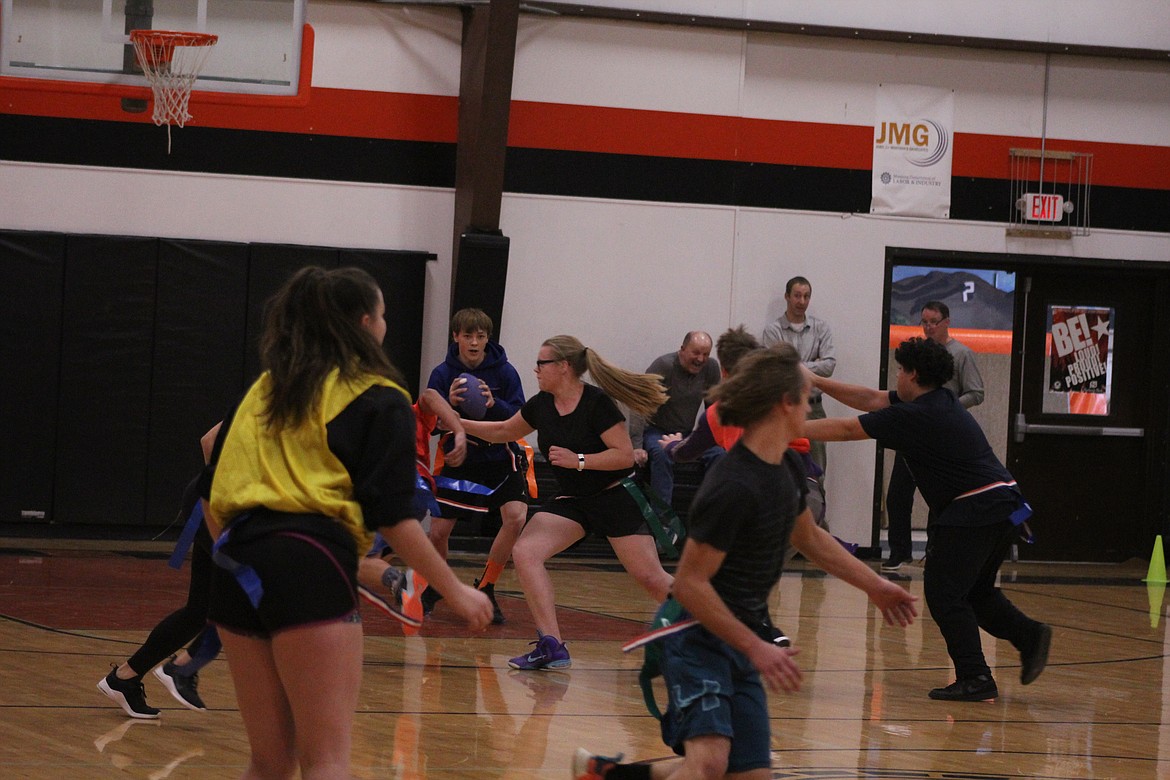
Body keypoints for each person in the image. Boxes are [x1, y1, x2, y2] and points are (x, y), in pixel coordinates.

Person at [572, 345, 917, 780]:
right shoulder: (732, 483)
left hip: (743, 636)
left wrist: (876, 587)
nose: (811, 409)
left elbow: (809, 537)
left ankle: (609, 775)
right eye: (808, 399)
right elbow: (691, 585)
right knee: (709, 763)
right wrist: (757, 647)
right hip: (696, 635)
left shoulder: (787, 466)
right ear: (784, 405)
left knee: (751, 775)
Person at [200, 266, 492, 779]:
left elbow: (209, 478)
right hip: (308, 561)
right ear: (364, 323)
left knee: (268, 763)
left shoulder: (268, 388)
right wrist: (455, 590)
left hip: (232, 561)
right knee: (328, 760)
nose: (385, 325)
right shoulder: (378, 394)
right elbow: (398, 519)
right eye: (382, 315)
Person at [801, 336, 1051, 701]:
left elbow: (846, 429)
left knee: (944, 591)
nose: (897, 376)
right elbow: (871, 398)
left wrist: (783, 430)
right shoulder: (938, 400)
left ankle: (976, 676)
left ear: (913, 374)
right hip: (1003, 504)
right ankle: (1029, 636)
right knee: (976, 592)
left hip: (976, 507)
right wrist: (817, 381)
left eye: (901, 370)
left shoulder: (916, 415)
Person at [460, 335, 674, 671]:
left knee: (651, 578)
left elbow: (624, 457)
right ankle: (551, 644)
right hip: (575, 500)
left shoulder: (597, 403)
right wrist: (456, 424)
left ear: (563, 367)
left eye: (542, 363)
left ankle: (714, 630)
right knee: (526, 551)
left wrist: (580, 460)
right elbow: (503, 429)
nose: (536, 369)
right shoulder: (541, 404)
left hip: (615, 495)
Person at [424, 308, 529, 624]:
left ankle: (487, 585)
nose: (474, 342)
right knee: (438, 532)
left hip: (501, 457)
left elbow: (521, 418)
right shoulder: (442, 374)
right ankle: (437, 584)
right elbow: (429, 424)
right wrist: (450, 406)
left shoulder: (506, 372)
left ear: (487, 339)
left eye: (480, 336)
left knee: (516, 517)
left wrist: (494, 404)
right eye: (467, 335)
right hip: (461, 459)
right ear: (455, 337)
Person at [97, 474, 221, 719]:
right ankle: (182, 668)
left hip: (218, 503)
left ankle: (124, 678)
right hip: (219, 506)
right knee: (248, 598)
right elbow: (209, 440)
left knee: (200, 610)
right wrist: (218, 484)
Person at [883, 300, 985, 572]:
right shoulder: (916, 353)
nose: (928, 327)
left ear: (947, 322)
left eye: (933, 322)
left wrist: (946, 408)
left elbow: (976, 392)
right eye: (924, 322)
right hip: (913, 432)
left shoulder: (961, 354)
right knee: (897, 494)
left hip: (942, 436)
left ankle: (934, 551)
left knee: (938, 496)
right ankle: (899, 551)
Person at [355, 387, 469, 631]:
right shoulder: (407, 415)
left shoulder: (360, 423)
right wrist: (458, 430)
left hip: (394, 485)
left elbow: (429, 395)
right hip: (419, 493)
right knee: (374, 558)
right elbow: (430, 396)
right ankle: (402, 584)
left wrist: (458, 429)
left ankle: (402, 581)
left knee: (352, 560)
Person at [629, 331, 722, 507]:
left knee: (719, 454)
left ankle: (712, 512)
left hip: (686, 433)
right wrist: (636, 447)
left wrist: (720, 438)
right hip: (658, 430)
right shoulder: (664, 366)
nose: (700, 359)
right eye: (695, 353)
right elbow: (639, 405)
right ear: (682, 350)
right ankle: (663, 520)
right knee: (662, 454)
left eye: (705, 354)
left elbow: (714, 409)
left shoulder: (711, 368)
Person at [761, 275, 836, 477]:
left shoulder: (821, 328)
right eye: (797, 296)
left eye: (806, 296)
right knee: (781, 471)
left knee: (817, 473)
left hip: (814, 407)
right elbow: (778, 369)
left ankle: (816, 508)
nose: (802, 302)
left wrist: (795, 365)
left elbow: (829, 365)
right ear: (787, 297)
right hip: (784, 409)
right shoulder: (773, 331)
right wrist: (814, 365)